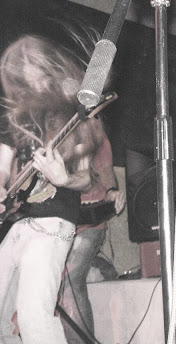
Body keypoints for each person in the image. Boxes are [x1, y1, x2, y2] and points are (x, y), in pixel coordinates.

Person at [0, 35, 107, 344]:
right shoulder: (15, 117)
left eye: (31, 64)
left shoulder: (74, 110)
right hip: (16, 223)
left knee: (34, 317)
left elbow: (86, 178)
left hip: (53, 222)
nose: (26, 74)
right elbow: (3, 164)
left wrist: (63, 180)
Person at [59, 135, 125, 344]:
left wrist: (112, 190)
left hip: (88, 222)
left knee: (69, 281)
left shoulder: (92, 130)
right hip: (56, 222)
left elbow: (104, 168)